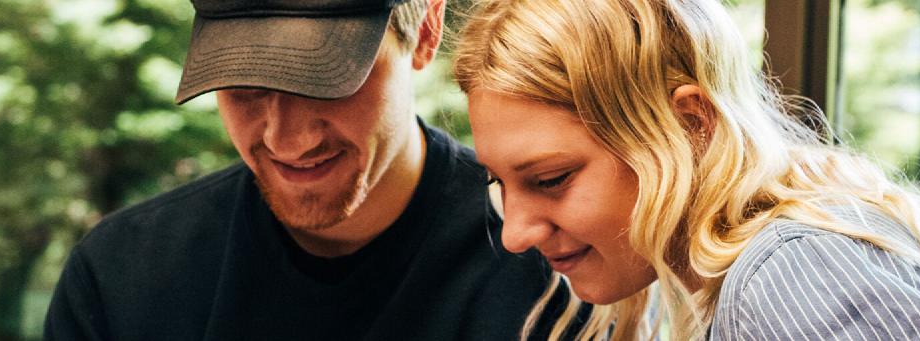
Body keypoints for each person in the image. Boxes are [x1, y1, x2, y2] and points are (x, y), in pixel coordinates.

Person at [453, 0, 920, 339]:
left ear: (691, 125)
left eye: (551, 180)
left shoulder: (794, 276)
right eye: (499, 183)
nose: (515, 232)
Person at [44, 0, 563, 339]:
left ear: (425, 29)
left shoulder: (554, 260)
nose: (285, 138)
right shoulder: (120, 276)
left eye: (325, 81)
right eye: (245, 86)